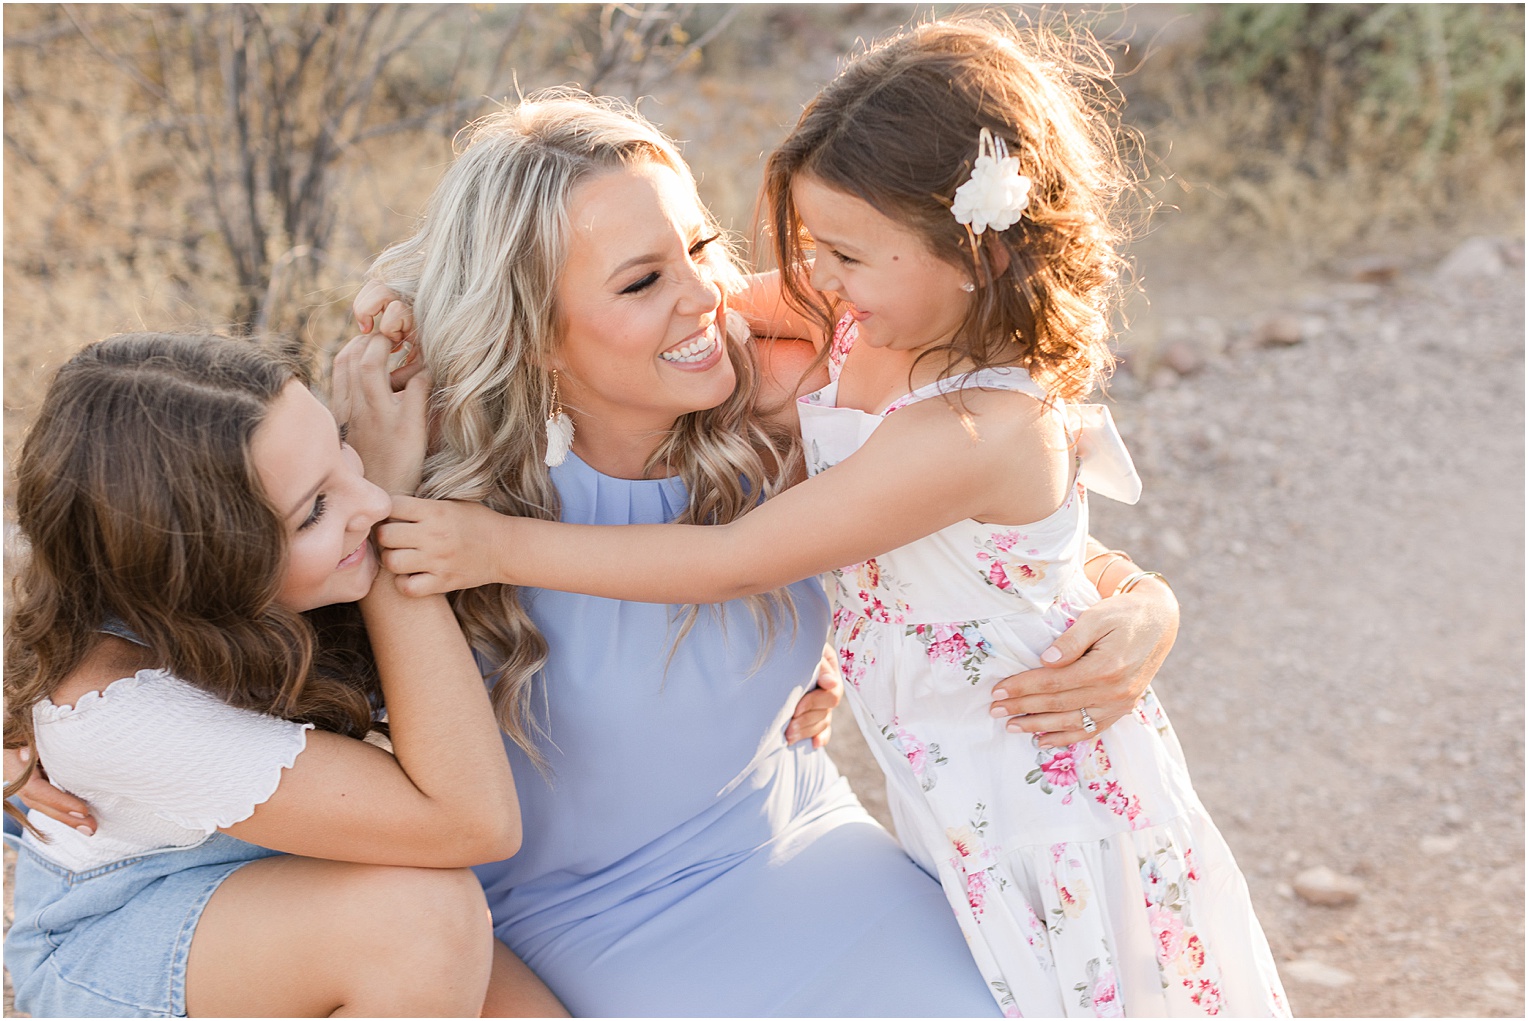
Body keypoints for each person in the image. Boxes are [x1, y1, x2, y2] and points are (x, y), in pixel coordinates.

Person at [374, 20, 1288, 1018]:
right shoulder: (446, 493)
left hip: (840, 835)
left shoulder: (791, 401)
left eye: (701, 247)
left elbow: (988, 549)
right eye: (642, 280)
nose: (707, 298)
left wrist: (1146, 603)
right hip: (584, 914)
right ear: (528, 324)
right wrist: (395, 308)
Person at [1, 332, 565, 1018]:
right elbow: (474, 821)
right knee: (422, 922)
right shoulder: (123, 713)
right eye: (316, 510)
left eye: (343, 447)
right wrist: (388, 544)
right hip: (116, 926)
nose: (371, 501)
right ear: (209, 566)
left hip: (266, 876)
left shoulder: (245, 485)